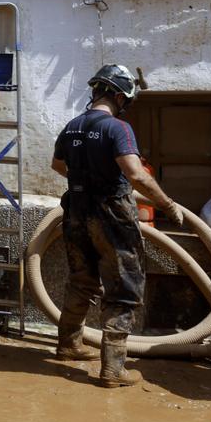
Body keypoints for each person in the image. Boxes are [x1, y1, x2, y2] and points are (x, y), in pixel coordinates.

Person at [50, 64, 183, 388]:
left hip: (76, 212)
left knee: (82, 281)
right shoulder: (117, 128)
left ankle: (68, 344)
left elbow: (56, 165)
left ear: (96, 91)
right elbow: (136, 174)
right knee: (123, 287)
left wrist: (85, 180)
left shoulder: (71, 127)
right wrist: (168, 204)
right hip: (111, 215)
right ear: (120, 96)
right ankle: (113, 369)